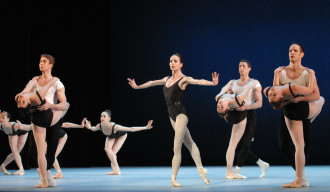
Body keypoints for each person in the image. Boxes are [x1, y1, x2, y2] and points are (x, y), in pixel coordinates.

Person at [127, 53, 218, 187]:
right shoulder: (167, 79)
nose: (172, 63)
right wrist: (137, 86)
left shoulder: (183, 79)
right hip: (171, 114)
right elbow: (152, 82)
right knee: (189, 142)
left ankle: (173, 179)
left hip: (181, 113)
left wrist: (212, 83)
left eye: (175, 61)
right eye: (170, 61)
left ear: (181, 64)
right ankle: (201, 170)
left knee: (177, 146)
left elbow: (198, 81)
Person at [270, 42, 322, 188]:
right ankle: (301, 176)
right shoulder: (281, 72)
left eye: (295, 50)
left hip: (303, 108)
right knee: (284, 145)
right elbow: (275, 91)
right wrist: (275, 75)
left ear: (301, 54)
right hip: (288, 110)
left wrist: (300, 98)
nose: (291, 52)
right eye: (290, 50)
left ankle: (300, 178)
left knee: (304, 147)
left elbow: (316, 95)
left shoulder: (307, 73)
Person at [16, 54, 68, 188]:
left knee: (51, 151)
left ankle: (47, 176)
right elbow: (23, 94)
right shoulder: (34, 81)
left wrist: (50, 106)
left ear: (50, 65)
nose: (41, 63)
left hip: (52, 117)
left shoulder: (57, 83)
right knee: (34, 151)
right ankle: (46, 177)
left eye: (44, 61)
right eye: (40, 61)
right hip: (37, 116)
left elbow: (64, 104)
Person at [215, 59, 269, 179]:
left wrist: (247, 106)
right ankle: (233, 172)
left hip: (248, 113)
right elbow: (226, 96)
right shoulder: (233, 83)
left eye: (244, 66)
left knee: (244, 145)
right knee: (236, 145)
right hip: (234, 113)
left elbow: (260, 103)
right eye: (240, 66)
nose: (241, 68)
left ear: (249, 69)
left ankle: (260, 164)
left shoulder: (255, 84)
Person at [85, 110, 153, 175]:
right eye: (101, 116)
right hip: (111, 136)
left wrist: (145, 127)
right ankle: (114, 170)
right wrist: (89, 127)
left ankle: (117, 170)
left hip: (121, 136)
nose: (102, 118)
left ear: (109, 118)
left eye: (104, 116)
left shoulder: (115, 127)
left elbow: (131, 129)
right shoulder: (99, 126)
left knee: (112, 153)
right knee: (108, 151)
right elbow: (93, 128)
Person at [0, 111, 31, 175]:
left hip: (23, 132)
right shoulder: (1, 126)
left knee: (16, 152)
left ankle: (3, 166)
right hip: (12, 133)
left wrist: (36, 125)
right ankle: (21, 169)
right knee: (14, 151)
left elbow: (26, 127)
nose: (1, 119)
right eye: (0, 117)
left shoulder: (14, 125)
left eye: (3, 117)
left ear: (8, 119)